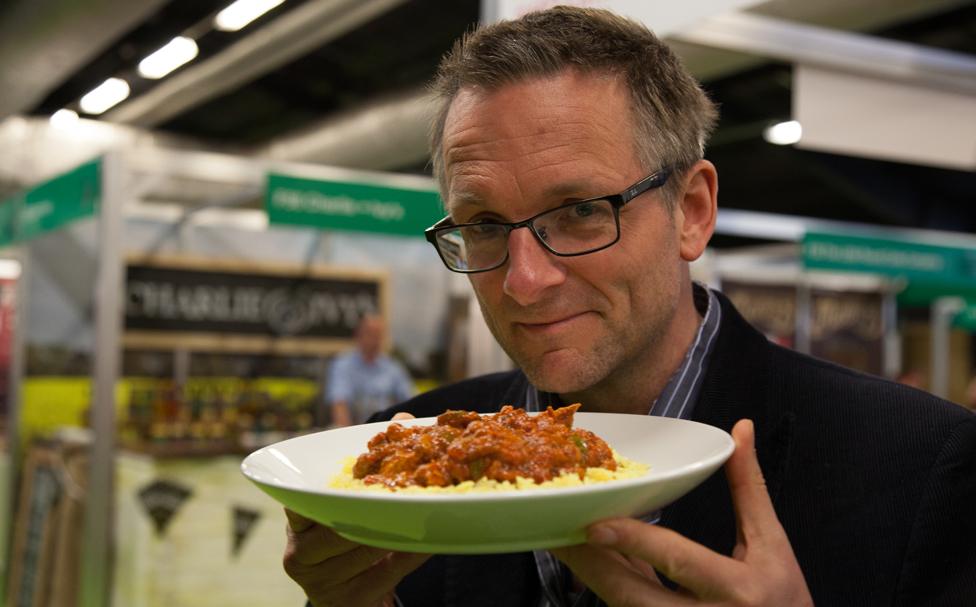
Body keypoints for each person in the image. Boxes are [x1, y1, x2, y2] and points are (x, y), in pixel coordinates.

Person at [284, 7, 976, 606]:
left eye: (582, 210)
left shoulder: (921, 465)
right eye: (486, 224)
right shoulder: (392, 479)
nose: (525, 280)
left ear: (692, 211)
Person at [324, 314, 413, 427]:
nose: (374, 339)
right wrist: (347, 436)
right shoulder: (342, 365)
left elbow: (410, 402)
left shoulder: (394, 368)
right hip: (354, 431)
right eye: (370, 333)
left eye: (378, 335)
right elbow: (339, 406)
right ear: (358, 335)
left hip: (388, 433)